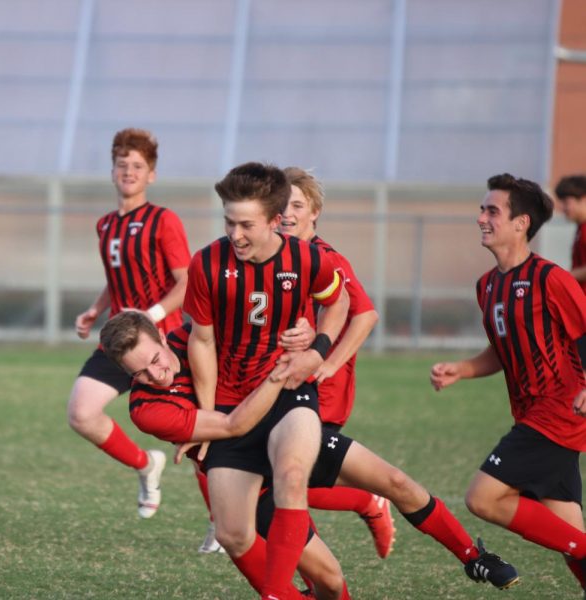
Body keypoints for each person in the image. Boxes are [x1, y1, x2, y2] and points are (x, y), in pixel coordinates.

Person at [279, 167, 519, 589]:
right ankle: (298, 578)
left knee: (375, 482)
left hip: (314, 403)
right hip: (270, 406)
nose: (285, 213)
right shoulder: (260, 260)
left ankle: (471, 556)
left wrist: (326, 362)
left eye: (296, 205)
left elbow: (365, 313)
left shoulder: (324, 258)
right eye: (279, 205)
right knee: (284, 491)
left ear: (315, 212)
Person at [184, 162, 350, 600]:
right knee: (234, 534)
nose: (235, 234)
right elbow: (201, 342)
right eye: (228, 221)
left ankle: (275, 593)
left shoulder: (308, 258)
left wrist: (317, 350)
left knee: (292, 475)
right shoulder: (206, 264)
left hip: (288, 393)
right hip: (232, 406)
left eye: (246, 225)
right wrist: (205, 418)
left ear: (276, 221)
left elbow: (339, 301)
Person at [100, 311, 349, 599]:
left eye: (155, 360)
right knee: (324, 578)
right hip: (250, 485)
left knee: (331, 576)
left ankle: (371, 504)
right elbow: (234, 425)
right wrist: (279, 376)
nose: (156, 376)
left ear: (162, 336)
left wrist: (303, 328)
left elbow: (270, 325)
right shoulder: (146, 409)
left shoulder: (203, 335)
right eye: (139, 373)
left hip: (281, 444)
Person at [430, 173, 586, 594]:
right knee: (570, 541)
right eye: (482, 209)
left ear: (521, 223)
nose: (481, 217)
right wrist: (462, 368)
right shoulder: (488, 286)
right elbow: (504, 351)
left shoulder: (551, 279)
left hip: (558, 412)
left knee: (483, 498)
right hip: (533, 415)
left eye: (492, 210)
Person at [66, 128, 191, 518]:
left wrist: (150, 316)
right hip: (120, 344)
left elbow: (186, 282)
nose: (129, 171)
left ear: (151, 174)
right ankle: (144, 465)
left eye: (138, 165)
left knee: (198, 432)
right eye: (123, 164)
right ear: (113, 171)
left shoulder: (163, 220)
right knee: (81, 414)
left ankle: (222, 521)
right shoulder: (105, 226)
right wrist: (96, 308)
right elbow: (118, 275)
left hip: (162, 343)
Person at [554, 175, 586, 295]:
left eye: (566, 202)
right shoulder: (580, 228)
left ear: (583, 199)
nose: (563, 208)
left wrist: (564, 277)